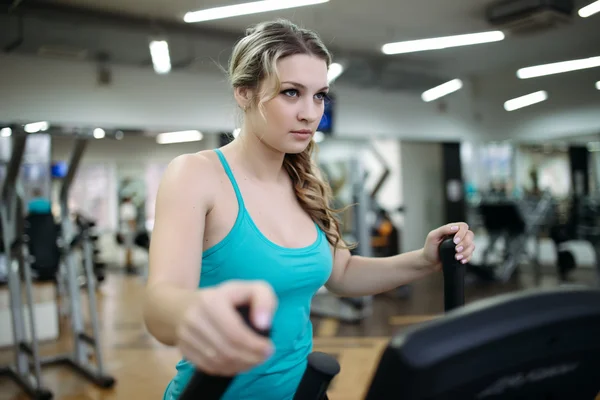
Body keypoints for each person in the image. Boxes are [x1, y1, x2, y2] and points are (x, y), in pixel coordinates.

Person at [142, 19, 476, 400]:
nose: (309, 113)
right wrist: (199, 310)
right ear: (244, 93)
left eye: (319, 96)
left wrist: (423, 259)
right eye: (290, 93)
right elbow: (159, 307)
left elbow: (342, 274)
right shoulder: (196, 174)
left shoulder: (306, 180)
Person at [119, 196, 138, 273]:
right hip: (129, 230)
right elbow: (130, 219)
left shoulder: (122, 207)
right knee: (129, 248)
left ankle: (128, 264)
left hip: (125, 230)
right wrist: (134, 229)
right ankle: (129, 265)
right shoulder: (128, 207)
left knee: (127, 248)